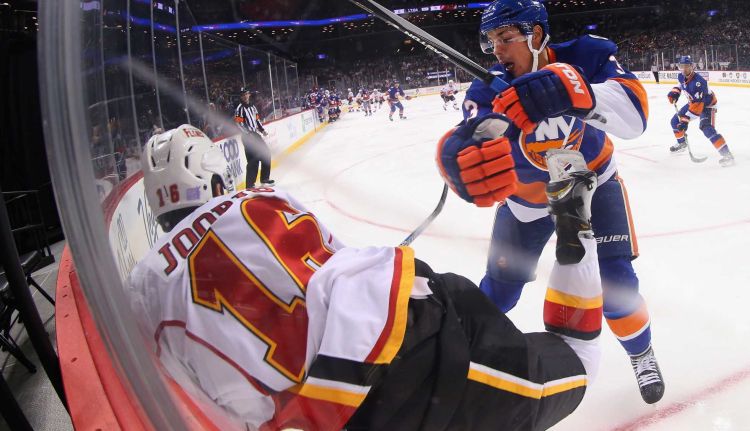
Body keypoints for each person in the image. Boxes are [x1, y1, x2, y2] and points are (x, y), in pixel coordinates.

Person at [130, 125, 605, 430]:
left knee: (571, 370)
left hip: (382, 393)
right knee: (578, 357)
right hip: (413, 329)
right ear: (216, 179)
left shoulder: (143, 289)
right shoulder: (264, 199)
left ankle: (573, 223)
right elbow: (333, 266)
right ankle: (574, 219)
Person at [438, 0, 664, 404]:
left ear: (536, 34)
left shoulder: (586, 55)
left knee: (616, 290)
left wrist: (574, 92)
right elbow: (475, 134)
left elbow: (635, 117)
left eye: (505, 38)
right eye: (491, 42)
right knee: (497, 295)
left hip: (592, 185)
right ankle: (454, 356)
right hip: (526, 202)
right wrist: (458, 154)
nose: (498, 51)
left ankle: (641, 353)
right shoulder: (486, 87)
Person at [668, 55, 735, 167]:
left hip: (707, 105)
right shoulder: (681, 76)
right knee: (675, 121)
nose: (684, 69)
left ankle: (727, 155)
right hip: (694, 102)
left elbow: (698, 108)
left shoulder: (699, 82)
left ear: (692, 66)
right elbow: (680, 85)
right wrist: (675, 92)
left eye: (686, 66)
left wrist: (685, 121)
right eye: (681, 66)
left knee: (706, 128)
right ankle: (682, 143)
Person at [234, 87, 274, 187]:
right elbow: (239, 124)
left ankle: (264, 179)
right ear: (241, 97)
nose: (245, 96)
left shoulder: (253, 107)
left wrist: (262, 130)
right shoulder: (239, 109)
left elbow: (257, 120)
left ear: (249, 95)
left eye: (246, 94)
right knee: (253, 160)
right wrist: (248, 133)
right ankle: (250, 184)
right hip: (247, 137)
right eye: (243, 95)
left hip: (255, 135)